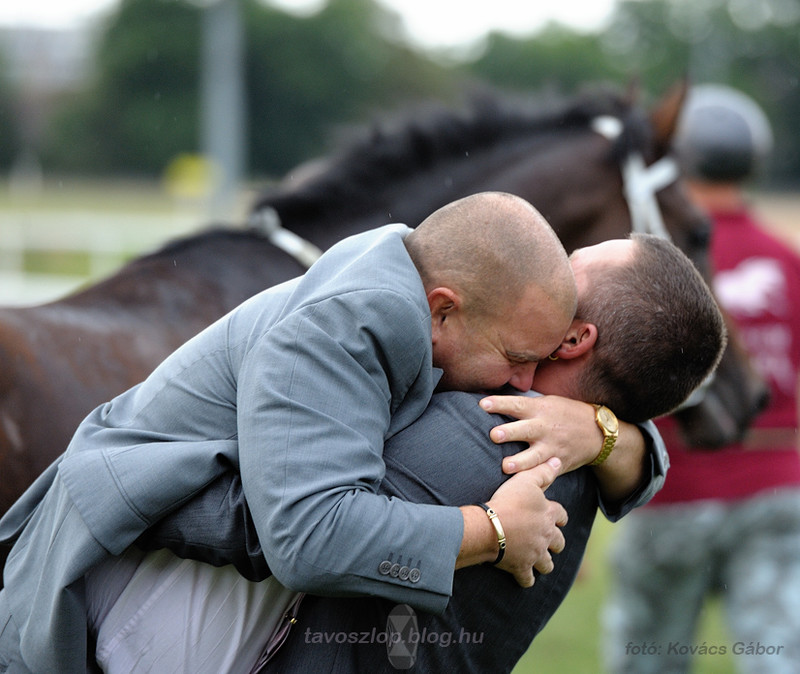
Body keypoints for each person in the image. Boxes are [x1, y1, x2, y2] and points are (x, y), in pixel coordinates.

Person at [0, 191, 588, 673]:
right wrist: (493, 531)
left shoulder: (398, 297)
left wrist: (603, 433)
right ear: (442, 310)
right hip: (102, 594)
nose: (526, 383)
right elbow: (310, 539)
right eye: (517, 357)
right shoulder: (357, 322)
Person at [107, 233, 726, 672]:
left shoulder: (483, 436)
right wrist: (612, 434)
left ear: (571, 337)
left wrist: (119, 482)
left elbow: (281, 527)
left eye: (572, 264)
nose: (556, 262)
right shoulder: (585, 447)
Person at [604, 85, 800, 673]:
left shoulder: (646, 264)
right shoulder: (787, 260)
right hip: (777, 489)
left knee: (650, 661)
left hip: (674, 493)